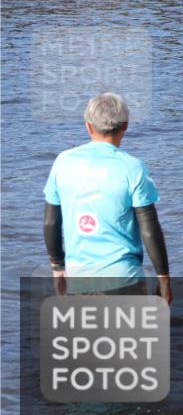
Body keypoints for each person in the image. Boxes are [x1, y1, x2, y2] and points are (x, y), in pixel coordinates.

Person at [43, 93, 171, 300]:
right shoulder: (133, 168)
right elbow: (149, 229)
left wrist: (58, 267)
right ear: (125, 126)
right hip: (124, 279)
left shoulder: (63, 162)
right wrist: (164, 279)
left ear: (88, 126)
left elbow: (51, 222)